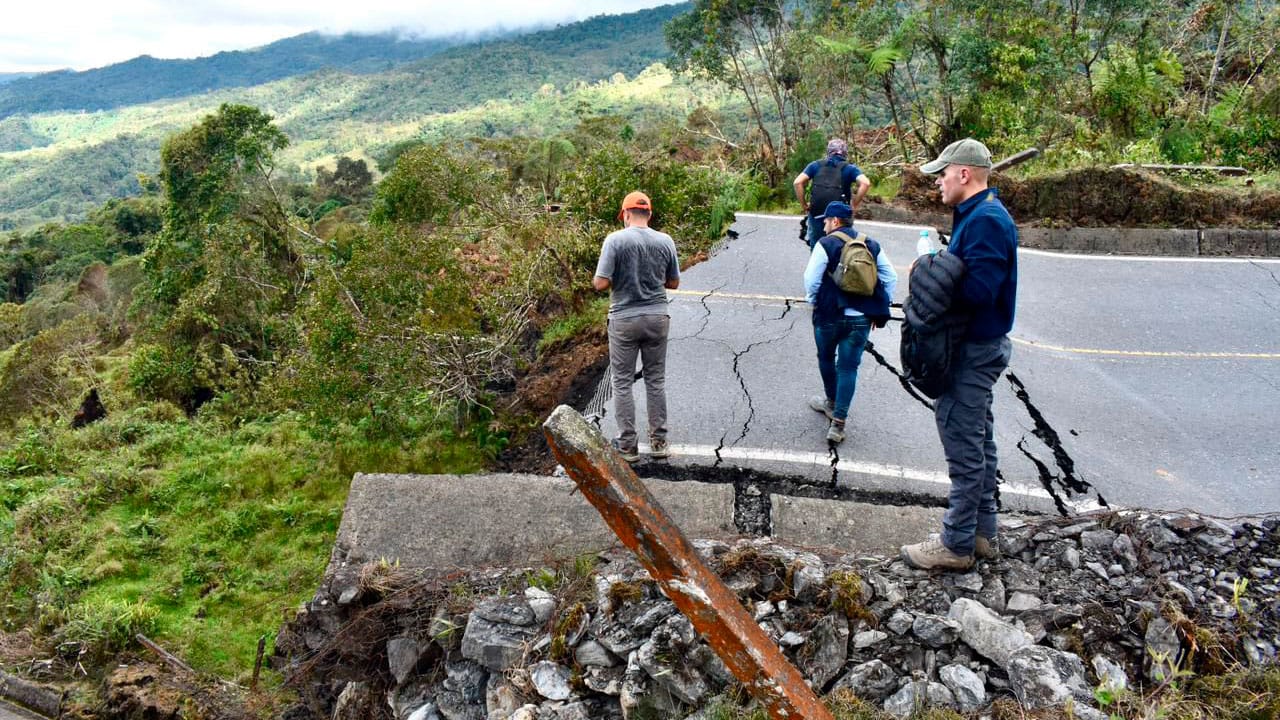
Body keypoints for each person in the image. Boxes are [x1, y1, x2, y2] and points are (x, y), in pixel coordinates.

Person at [900, 138, 1019, 571]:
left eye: (943, 174)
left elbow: (979, 291)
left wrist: (929, 268)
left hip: (972, 351)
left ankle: (955, 544)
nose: (938, 184)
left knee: (964, 447)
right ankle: (983, 532)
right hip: (978, 347)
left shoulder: (986, 220)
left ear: (963, 174)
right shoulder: (976, 214)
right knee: (980, 443)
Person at [593, 191, 681, 463]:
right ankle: (659, 442)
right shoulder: (665, 241)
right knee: (655, 380)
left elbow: (600, 283)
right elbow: (674, 283)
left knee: (621, 382)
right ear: (649, 214)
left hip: (624, 319)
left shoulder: (615, 240)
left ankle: (628, 446)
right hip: (657, 318)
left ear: (626, 214)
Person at [804, 201, 896, 443]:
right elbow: (890, 277)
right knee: (848, 368)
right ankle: (838, 425)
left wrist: (815, 301)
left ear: (835, 221)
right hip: (861, 319)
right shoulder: (871, 244)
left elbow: (811, 279)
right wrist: (878, 308)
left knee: (825, 358)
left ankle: (831, 402)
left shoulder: (826, 244)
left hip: (829, 315)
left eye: (826, 220)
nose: (823, 224)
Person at [794, 138, 871, 249]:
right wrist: (854, 204)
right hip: (840, 215)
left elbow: (797, 182)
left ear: (828, 152)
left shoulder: (815, 165)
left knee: (817, 246)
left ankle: (818, 265)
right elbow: (865, 183)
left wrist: (804, 205)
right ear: (845, 153)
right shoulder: (849, 169)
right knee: (841, 245)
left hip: (816, 212)